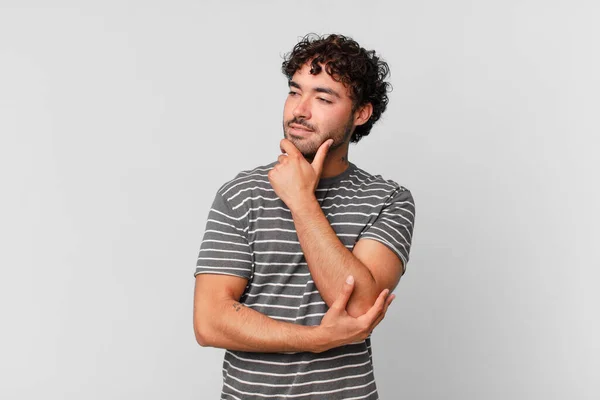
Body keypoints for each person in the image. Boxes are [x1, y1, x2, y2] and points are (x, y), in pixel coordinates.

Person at [193, 33, 416, 399]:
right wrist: (316, 340)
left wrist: (302, 202)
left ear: (361, 113)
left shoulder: (387, 199)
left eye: (323, 97)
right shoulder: (241, 194)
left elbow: (361, 307)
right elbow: (210, 322)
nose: (300, 109)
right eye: (295, 91)